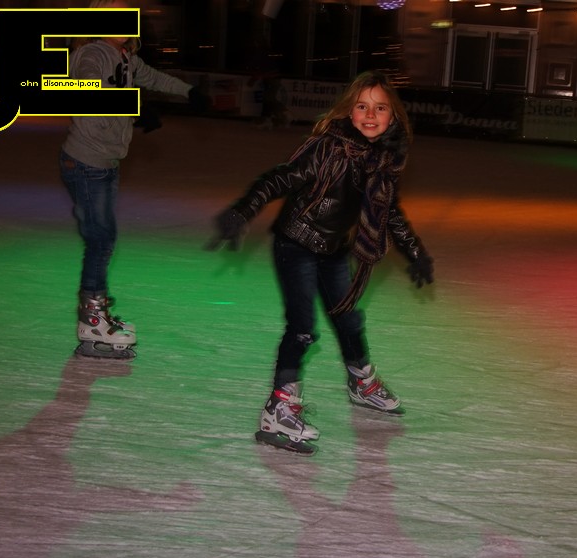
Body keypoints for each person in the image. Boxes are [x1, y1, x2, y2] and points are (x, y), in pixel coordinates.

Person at [208, 70, 434, 454]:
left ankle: (361, 382)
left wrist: (415, 252)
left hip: (334, 249)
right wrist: (244, 209)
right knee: (301, 327)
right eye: (362, 106)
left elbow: (389, 212)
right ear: (349, 111)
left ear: (393, 117)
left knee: (348, 318)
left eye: (380, 108)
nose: (370, 115)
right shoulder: (329, 148)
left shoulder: (384, 161)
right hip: (297, 242)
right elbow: (282, 178)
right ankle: (278, 409)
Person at [60, 0, 208, 359]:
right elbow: (88, 88)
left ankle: (95, 313)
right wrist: (134, 105)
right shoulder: (93, 53)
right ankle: (92, 318)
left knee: (102, 239)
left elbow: (153, 77)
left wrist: (188, 91)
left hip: (103, 163)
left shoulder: (125, 56)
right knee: (100, 239)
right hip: (86, 163)